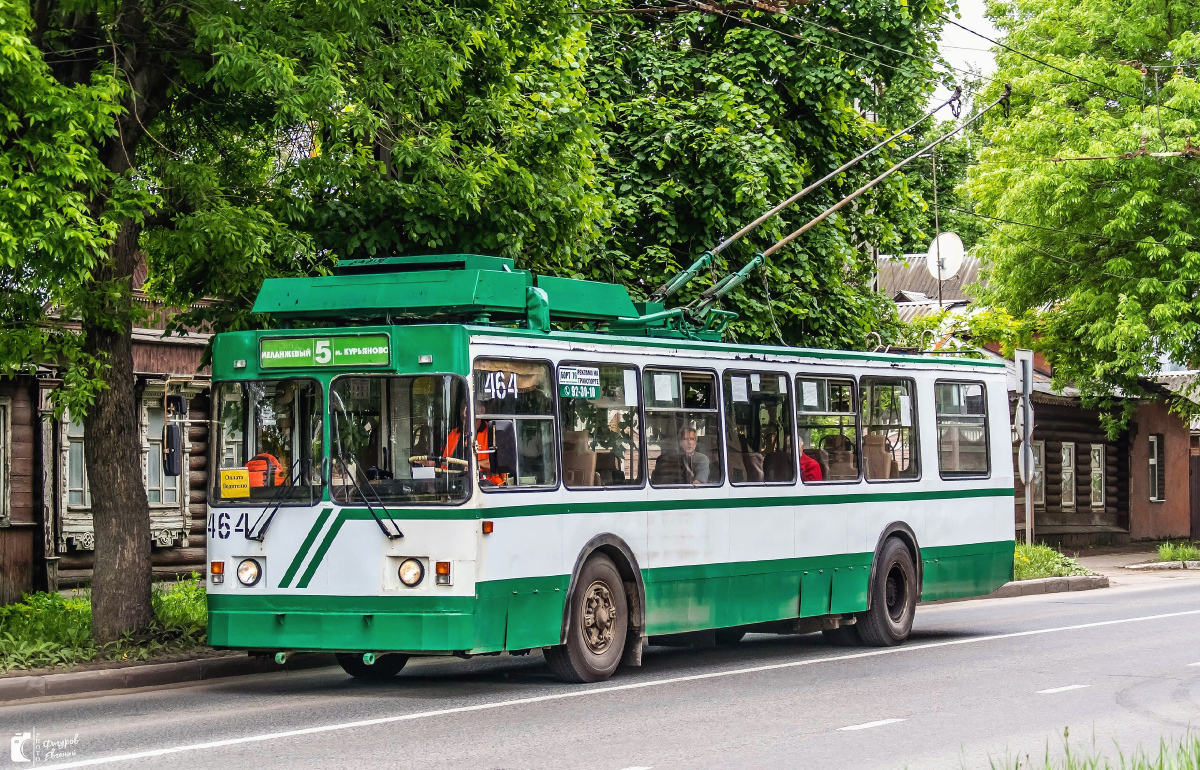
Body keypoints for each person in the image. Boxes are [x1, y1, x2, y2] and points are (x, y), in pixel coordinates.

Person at [441, 400, 506, 485]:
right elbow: (444, 461)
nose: (464, 414)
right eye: (462, 409)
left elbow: (501, 461)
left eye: (468, 408)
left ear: (482, 410)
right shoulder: (453, 434)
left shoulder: (493, 433)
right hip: (455, 486)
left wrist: (474, 464)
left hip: (488, 487)